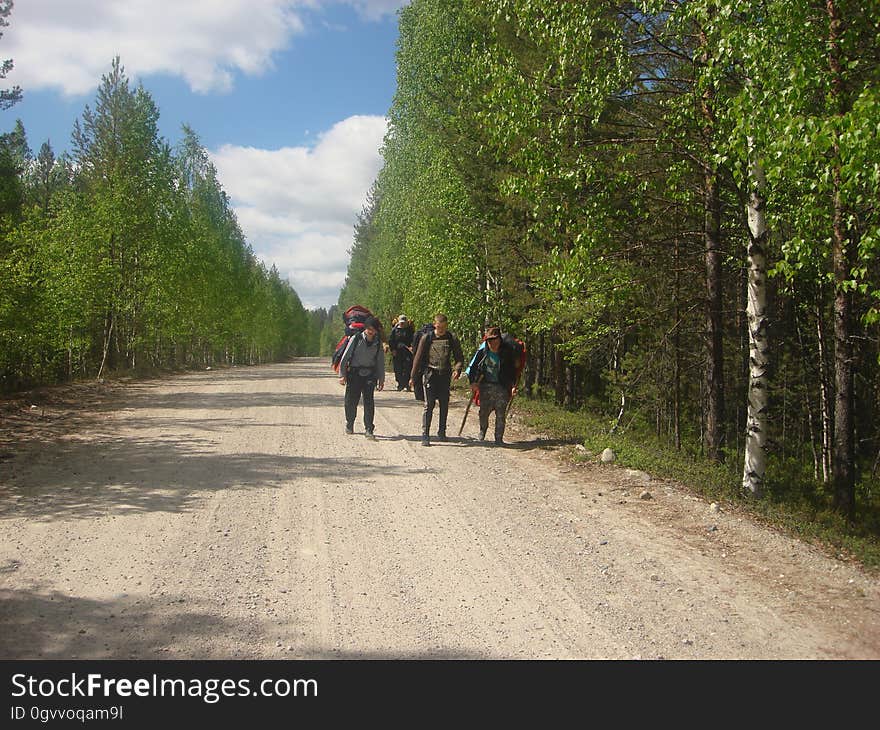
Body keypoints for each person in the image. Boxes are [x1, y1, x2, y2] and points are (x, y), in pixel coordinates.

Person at [409, 313, 464, 446]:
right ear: (435, 325)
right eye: (439, 327)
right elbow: (417, 358)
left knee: (444, 404)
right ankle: (425, 434)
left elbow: (459, 358)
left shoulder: (451, 338)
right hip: (430, 374)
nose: (441, 330)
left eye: (443, 327)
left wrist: (457, 369)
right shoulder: (427, 338)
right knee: (429, 405)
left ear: (446, 326)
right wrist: (413, 377)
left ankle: (442, 431)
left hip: (444, 375)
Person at [465, 326, 520, 445]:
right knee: (484, 412)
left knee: (501, 413)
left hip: (502, 386)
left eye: (495, 340)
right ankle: (482, 430)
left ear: (500, 339)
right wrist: (473, 382)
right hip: (486, 386)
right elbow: (473, 367)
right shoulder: (483, 352)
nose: (492, 343)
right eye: (490, 340)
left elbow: (513, 371)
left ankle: (499, 438)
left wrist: (513, 386)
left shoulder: (507, 353)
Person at [338, 316, 385, 439]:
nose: (371, 331)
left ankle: (369, 428)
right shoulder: (356, 338)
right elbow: (345, 357)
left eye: (373, 329)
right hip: (354, 374)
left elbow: (380, 361)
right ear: (365, 328)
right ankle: (350, 422)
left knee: (369, 402)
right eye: (369, 328)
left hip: (369, 374)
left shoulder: (377, 342)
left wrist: (381, 379)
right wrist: (342, 375)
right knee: (351, 401)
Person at [388, 315, 415, 391]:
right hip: (397, 352)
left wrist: (412, 347)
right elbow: (391, 340)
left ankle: (407, 384)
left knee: (408, 367)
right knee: (398, 368)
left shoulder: (410, 330)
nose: (402, 324)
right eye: (401, 323)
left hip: (407, 352)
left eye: (404, 323)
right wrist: (393, 349)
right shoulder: (395, 330)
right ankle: (400, 384)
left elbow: (413, 340)